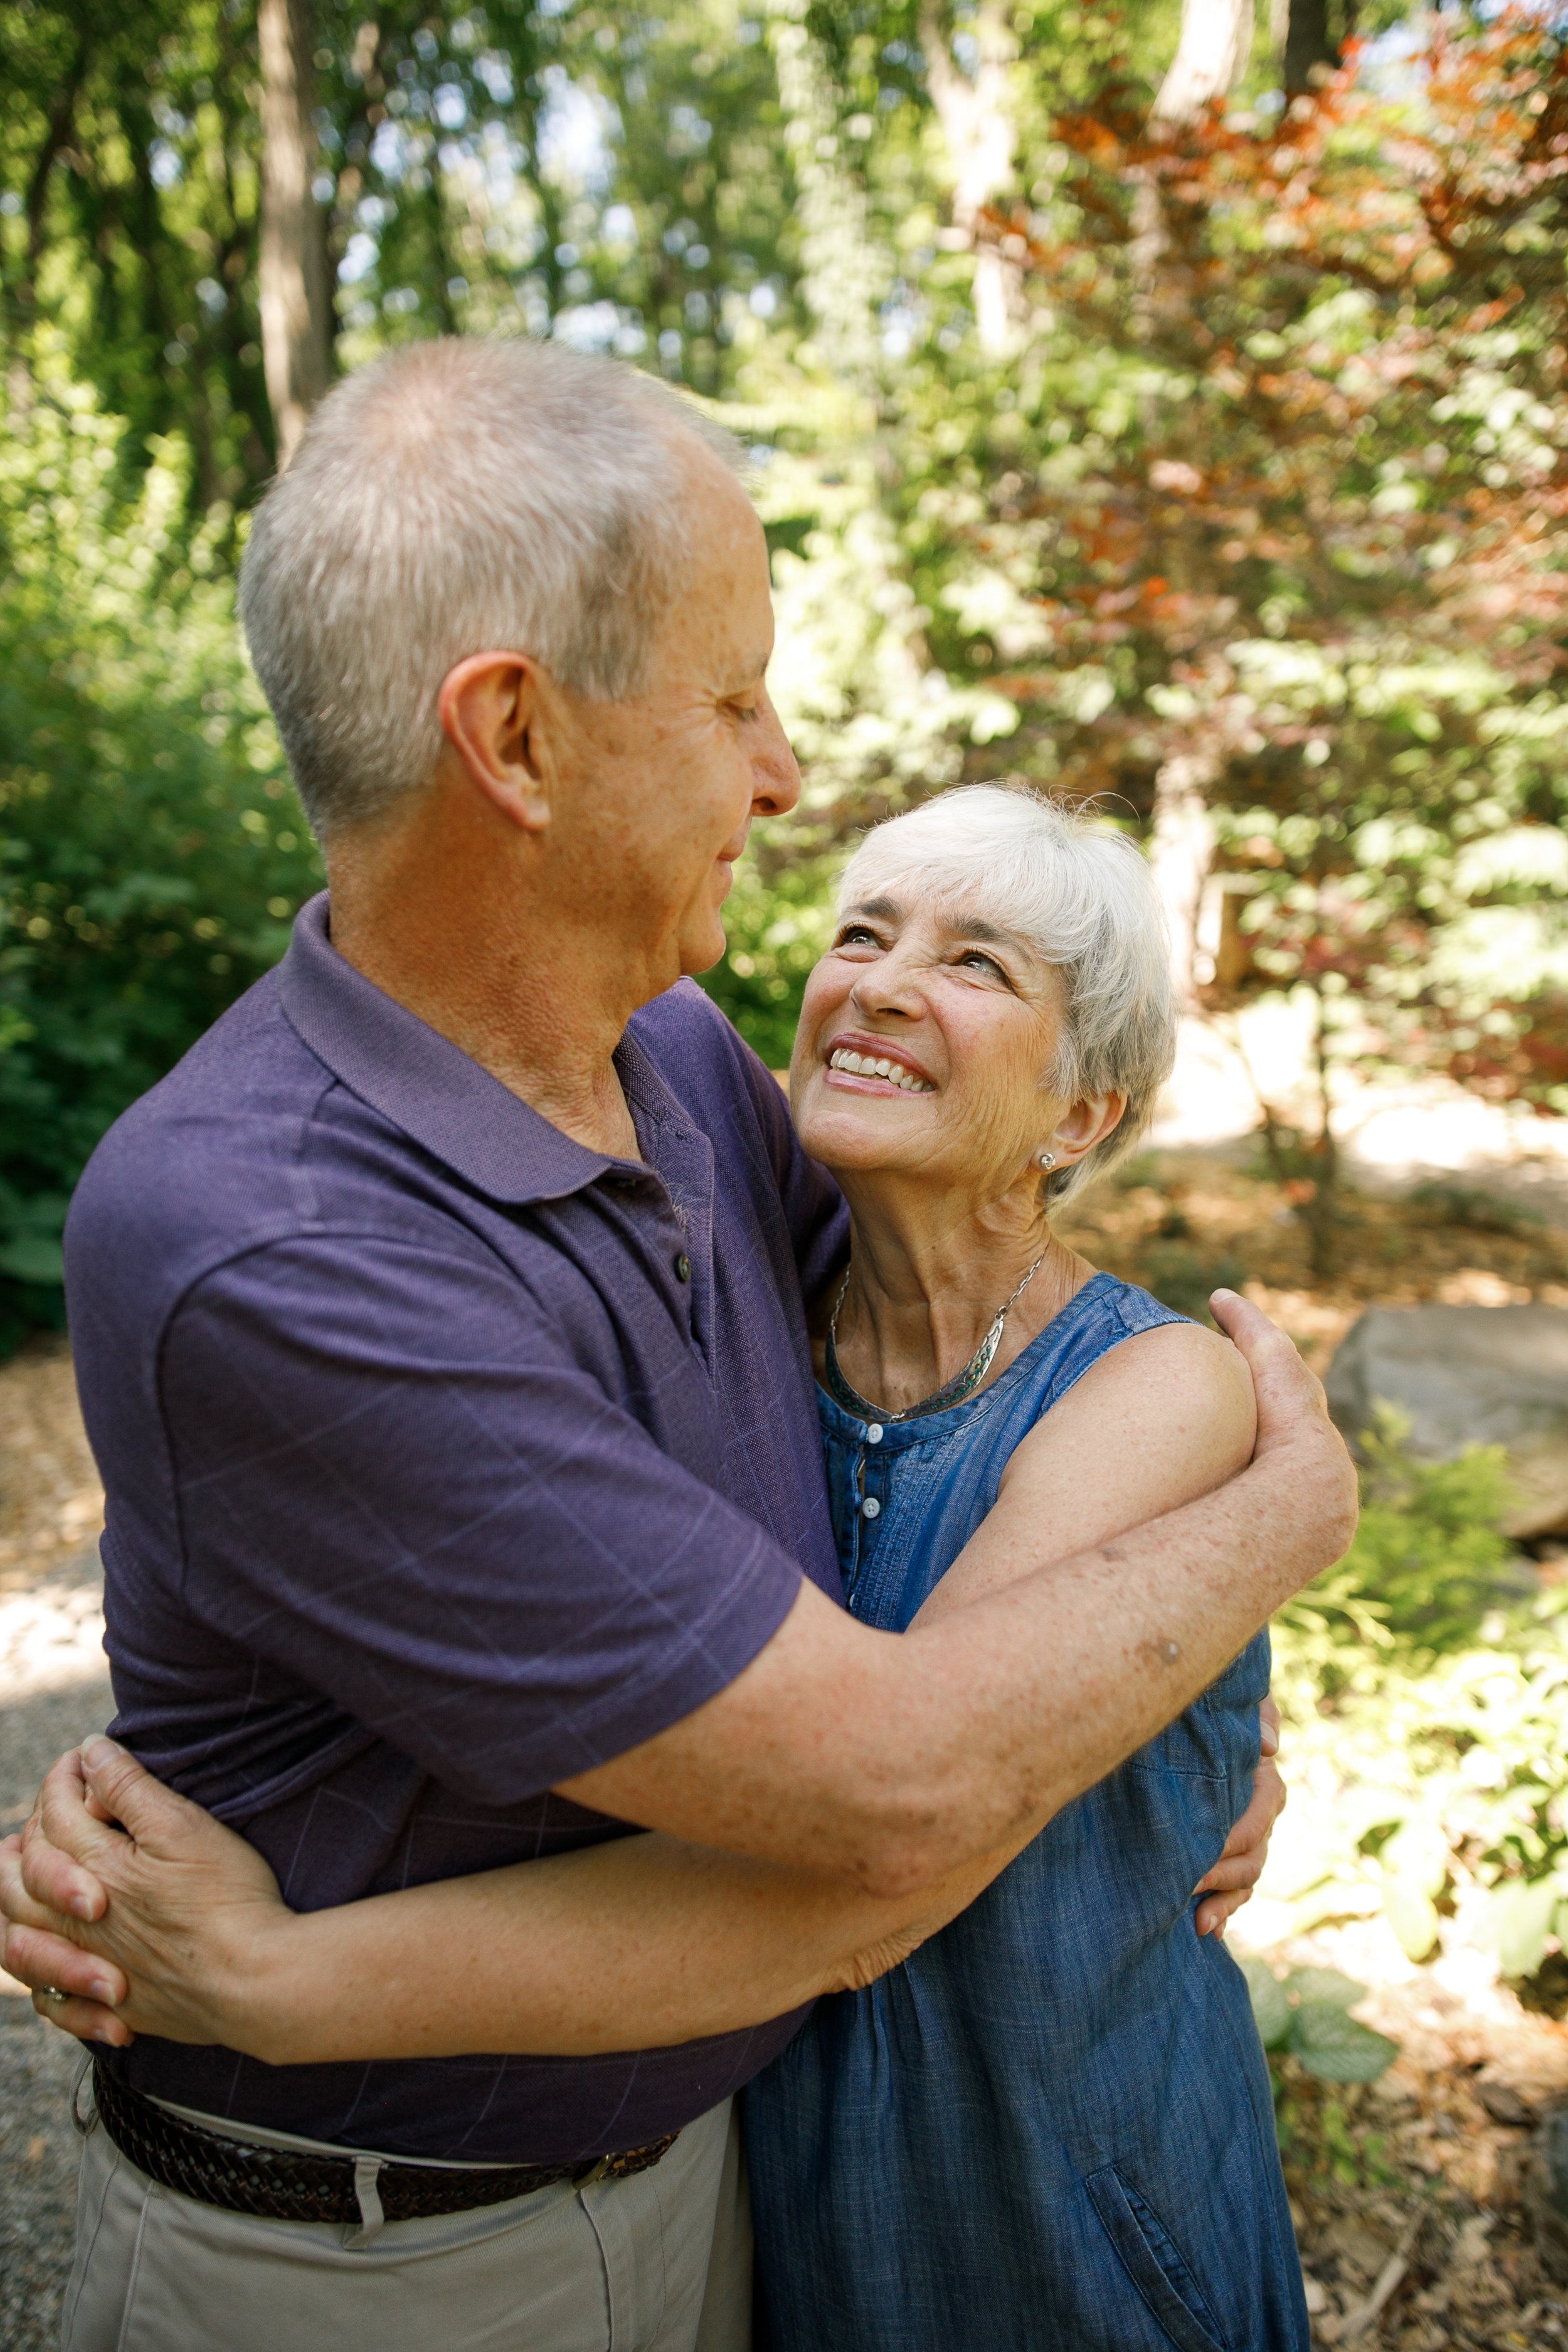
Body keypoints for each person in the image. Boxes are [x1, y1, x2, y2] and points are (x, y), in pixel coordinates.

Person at [0, 338, 1355, 2352]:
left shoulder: (681, 1062)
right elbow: (897, 1797)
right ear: (518, 742)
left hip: (738, 2195)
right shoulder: (276, 1243)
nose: (787, 774)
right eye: (732, 700)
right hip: (384, 2270)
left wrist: (1167, 1733)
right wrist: (1288, 1507)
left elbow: (981, 1332)